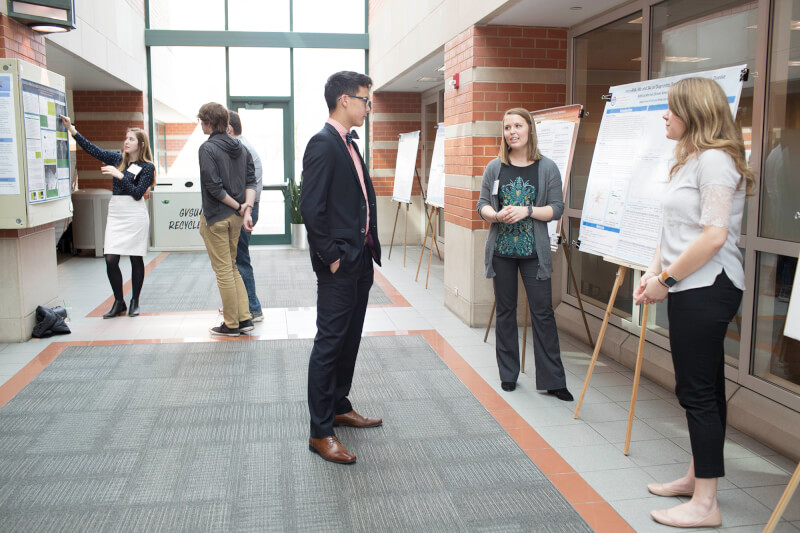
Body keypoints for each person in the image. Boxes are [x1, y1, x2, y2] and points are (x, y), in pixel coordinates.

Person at [633, 77, 753, 529]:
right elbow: (672, 231)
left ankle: (706, 504)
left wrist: (666, 278)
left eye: (671, 108)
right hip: (686, 285)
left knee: (697, 393)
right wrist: (652, 273)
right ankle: (697, 477)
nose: (664, 115)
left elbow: (714, 235)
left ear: (694, 113)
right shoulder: (689, 160)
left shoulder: (717, 162)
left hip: (709, 286)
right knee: (706, 390)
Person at [300, 71, 382, 464]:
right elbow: (311, 209)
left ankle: (338, 404)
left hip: (360, 259)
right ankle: (320, 431)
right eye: (366, 99)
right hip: (340, 264)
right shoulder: (323, 143)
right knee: (330, 343)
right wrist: (332, 257)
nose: (369, 106)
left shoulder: (348, 143)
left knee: (350, 339)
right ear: (345, 100)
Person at [476, 107, 572, 401]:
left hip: (534, 254)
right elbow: (482, 205)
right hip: (502, 253)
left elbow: (557, 209)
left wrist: (527, 210)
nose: (512, 132)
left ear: (530, 129)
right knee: (505, 313)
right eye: (507, 127)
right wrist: (495, 215)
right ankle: (508, 374)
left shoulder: (547, 168)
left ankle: (553, 380)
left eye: (518, 125)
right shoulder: (495, 167)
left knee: (542, 313)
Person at [59, 115, 154, 318]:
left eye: (131, 139)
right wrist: (72, 130)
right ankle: (118, 301)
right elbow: (92, 149)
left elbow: (138, 193)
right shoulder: (117, 159)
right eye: (126, 138)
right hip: (117, 213)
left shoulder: (147, 167)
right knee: (111, 258)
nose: (126, 142)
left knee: (136, 259)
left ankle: (135, 301)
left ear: (141, 144)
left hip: (135, 214)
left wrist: (119, 174)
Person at [197, 102, 257, 337]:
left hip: (216, 217)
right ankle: (244, 319)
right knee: (232, 267)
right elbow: (251, 181)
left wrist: (238, 205)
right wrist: (245, 210)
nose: (201, 125)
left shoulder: (207, 149)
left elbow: (214, 187)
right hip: (235, 219)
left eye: (202, 121)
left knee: (223, 270)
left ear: (210, 123)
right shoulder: (241, 148)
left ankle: (231, 324)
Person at [227, 111, 264, 322]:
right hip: (246, 208)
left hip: (245, 210)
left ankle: (252, 307)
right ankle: (245, 305)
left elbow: (243, 186)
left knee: (240, 259)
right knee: (238, 258)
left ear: (229, 129)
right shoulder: (242, 147)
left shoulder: (241, 150)